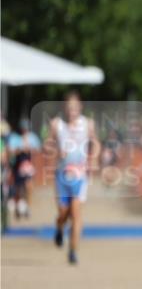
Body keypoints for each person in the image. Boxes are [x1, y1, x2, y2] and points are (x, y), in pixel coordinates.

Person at [48, 92, 99, 265]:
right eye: (69, 107)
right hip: (62, 175)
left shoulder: (88, 124)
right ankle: (59, 228)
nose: (72, 111)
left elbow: (96, 143)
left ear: (80, 107)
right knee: (63, 213)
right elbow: (47, 145)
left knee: (76, 213)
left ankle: (73, 251)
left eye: (75, 107)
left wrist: (94, 161)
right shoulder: (57, 124)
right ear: (65, 108)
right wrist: (56, 152)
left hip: (80, 175)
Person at [8, 119, 41, 219]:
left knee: (28, 186)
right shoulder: (14, 137)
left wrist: (30, 150)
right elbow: (10, 151)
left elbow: (38, 150)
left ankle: (27, 207)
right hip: (17, 166)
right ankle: (19, 206)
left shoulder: (33, 137)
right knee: (18, 188)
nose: (24, 131)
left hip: (28, 165)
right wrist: (20, 150)